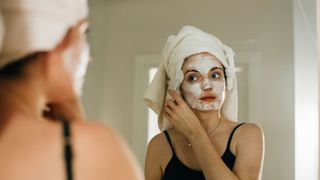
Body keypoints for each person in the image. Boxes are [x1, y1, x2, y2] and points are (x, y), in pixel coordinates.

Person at [0, 0, 143, 179]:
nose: (89, 58)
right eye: (84, 33)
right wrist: (77, 129)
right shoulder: (95, 149)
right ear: (61, 40)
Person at [144, 26, 264, 180]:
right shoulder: (159, 146)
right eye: (193, 77)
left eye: (215, 75)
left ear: (226, 82)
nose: (207, 85)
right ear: (177, 88)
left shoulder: (247, 135)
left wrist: (195, 133)